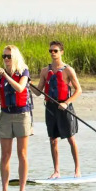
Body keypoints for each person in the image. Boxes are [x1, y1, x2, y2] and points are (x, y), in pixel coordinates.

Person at [0, 45, 33, 191]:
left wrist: (6, 75)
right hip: (5, 115)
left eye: (9, 56)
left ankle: (22, 190)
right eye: (4, 56)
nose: (6, 59)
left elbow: (20, 88)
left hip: (22, 115)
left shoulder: (23, 71)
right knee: (5, 155)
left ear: (15, 57)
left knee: (22, 154)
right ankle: (4, 190)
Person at [38, 40, 83, 178]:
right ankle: (57, 171)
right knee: (53, 140)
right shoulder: (45, 71)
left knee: (70, 139)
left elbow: (79, 90)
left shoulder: (68, 70)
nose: (53, 53)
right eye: (50, 51)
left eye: (55, 51)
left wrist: (66, 103)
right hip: (51, 108)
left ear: (61, 52)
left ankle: (77, 170)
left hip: (64, 107)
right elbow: (38, 92)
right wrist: (26, 84)